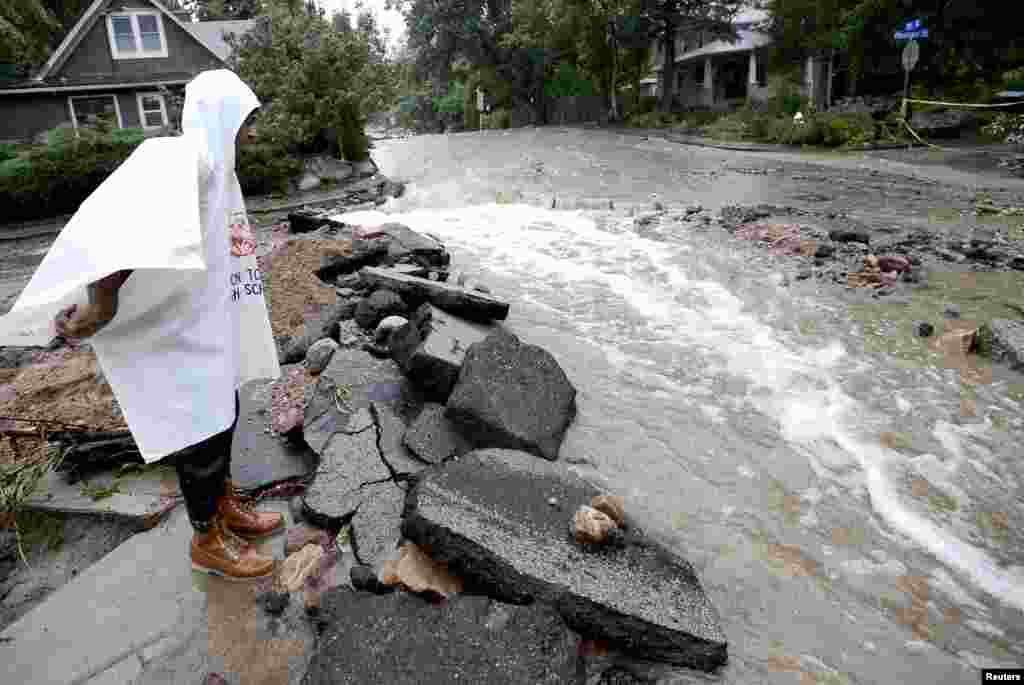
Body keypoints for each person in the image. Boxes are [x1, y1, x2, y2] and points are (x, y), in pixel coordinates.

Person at [52, 70, 283, 581]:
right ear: (223, 113)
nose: (254, 130)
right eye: (248, 117)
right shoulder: (187, 161)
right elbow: (127, 227)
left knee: (225, 412)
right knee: (200, 431)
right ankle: (207, 540)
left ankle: (224, 508)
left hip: (203, 323)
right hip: (178, 332)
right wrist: (102, 301)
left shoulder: (216, 167)